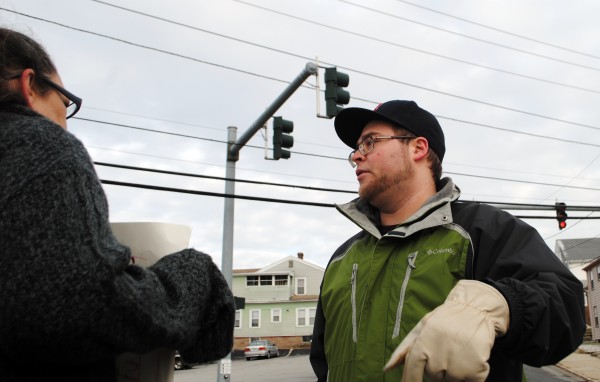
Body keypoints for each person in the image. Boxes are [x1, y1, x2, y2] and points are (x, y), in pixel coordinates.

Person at [0, 27, 234, 381]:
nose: (64, 123)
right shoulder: (40, 146)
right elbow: (79, 306)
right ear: (29, 85)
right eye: (65, 102)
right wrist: (193, 277)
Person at [310, 100, 586, 381]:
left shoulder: (484, 230)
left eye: (369, 142)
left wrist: (500, 304)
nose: (357, 156)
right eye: (356, 148)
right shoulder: (342, 258)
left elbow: (565, 307)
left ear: (418, 148)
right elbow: (323, 363)